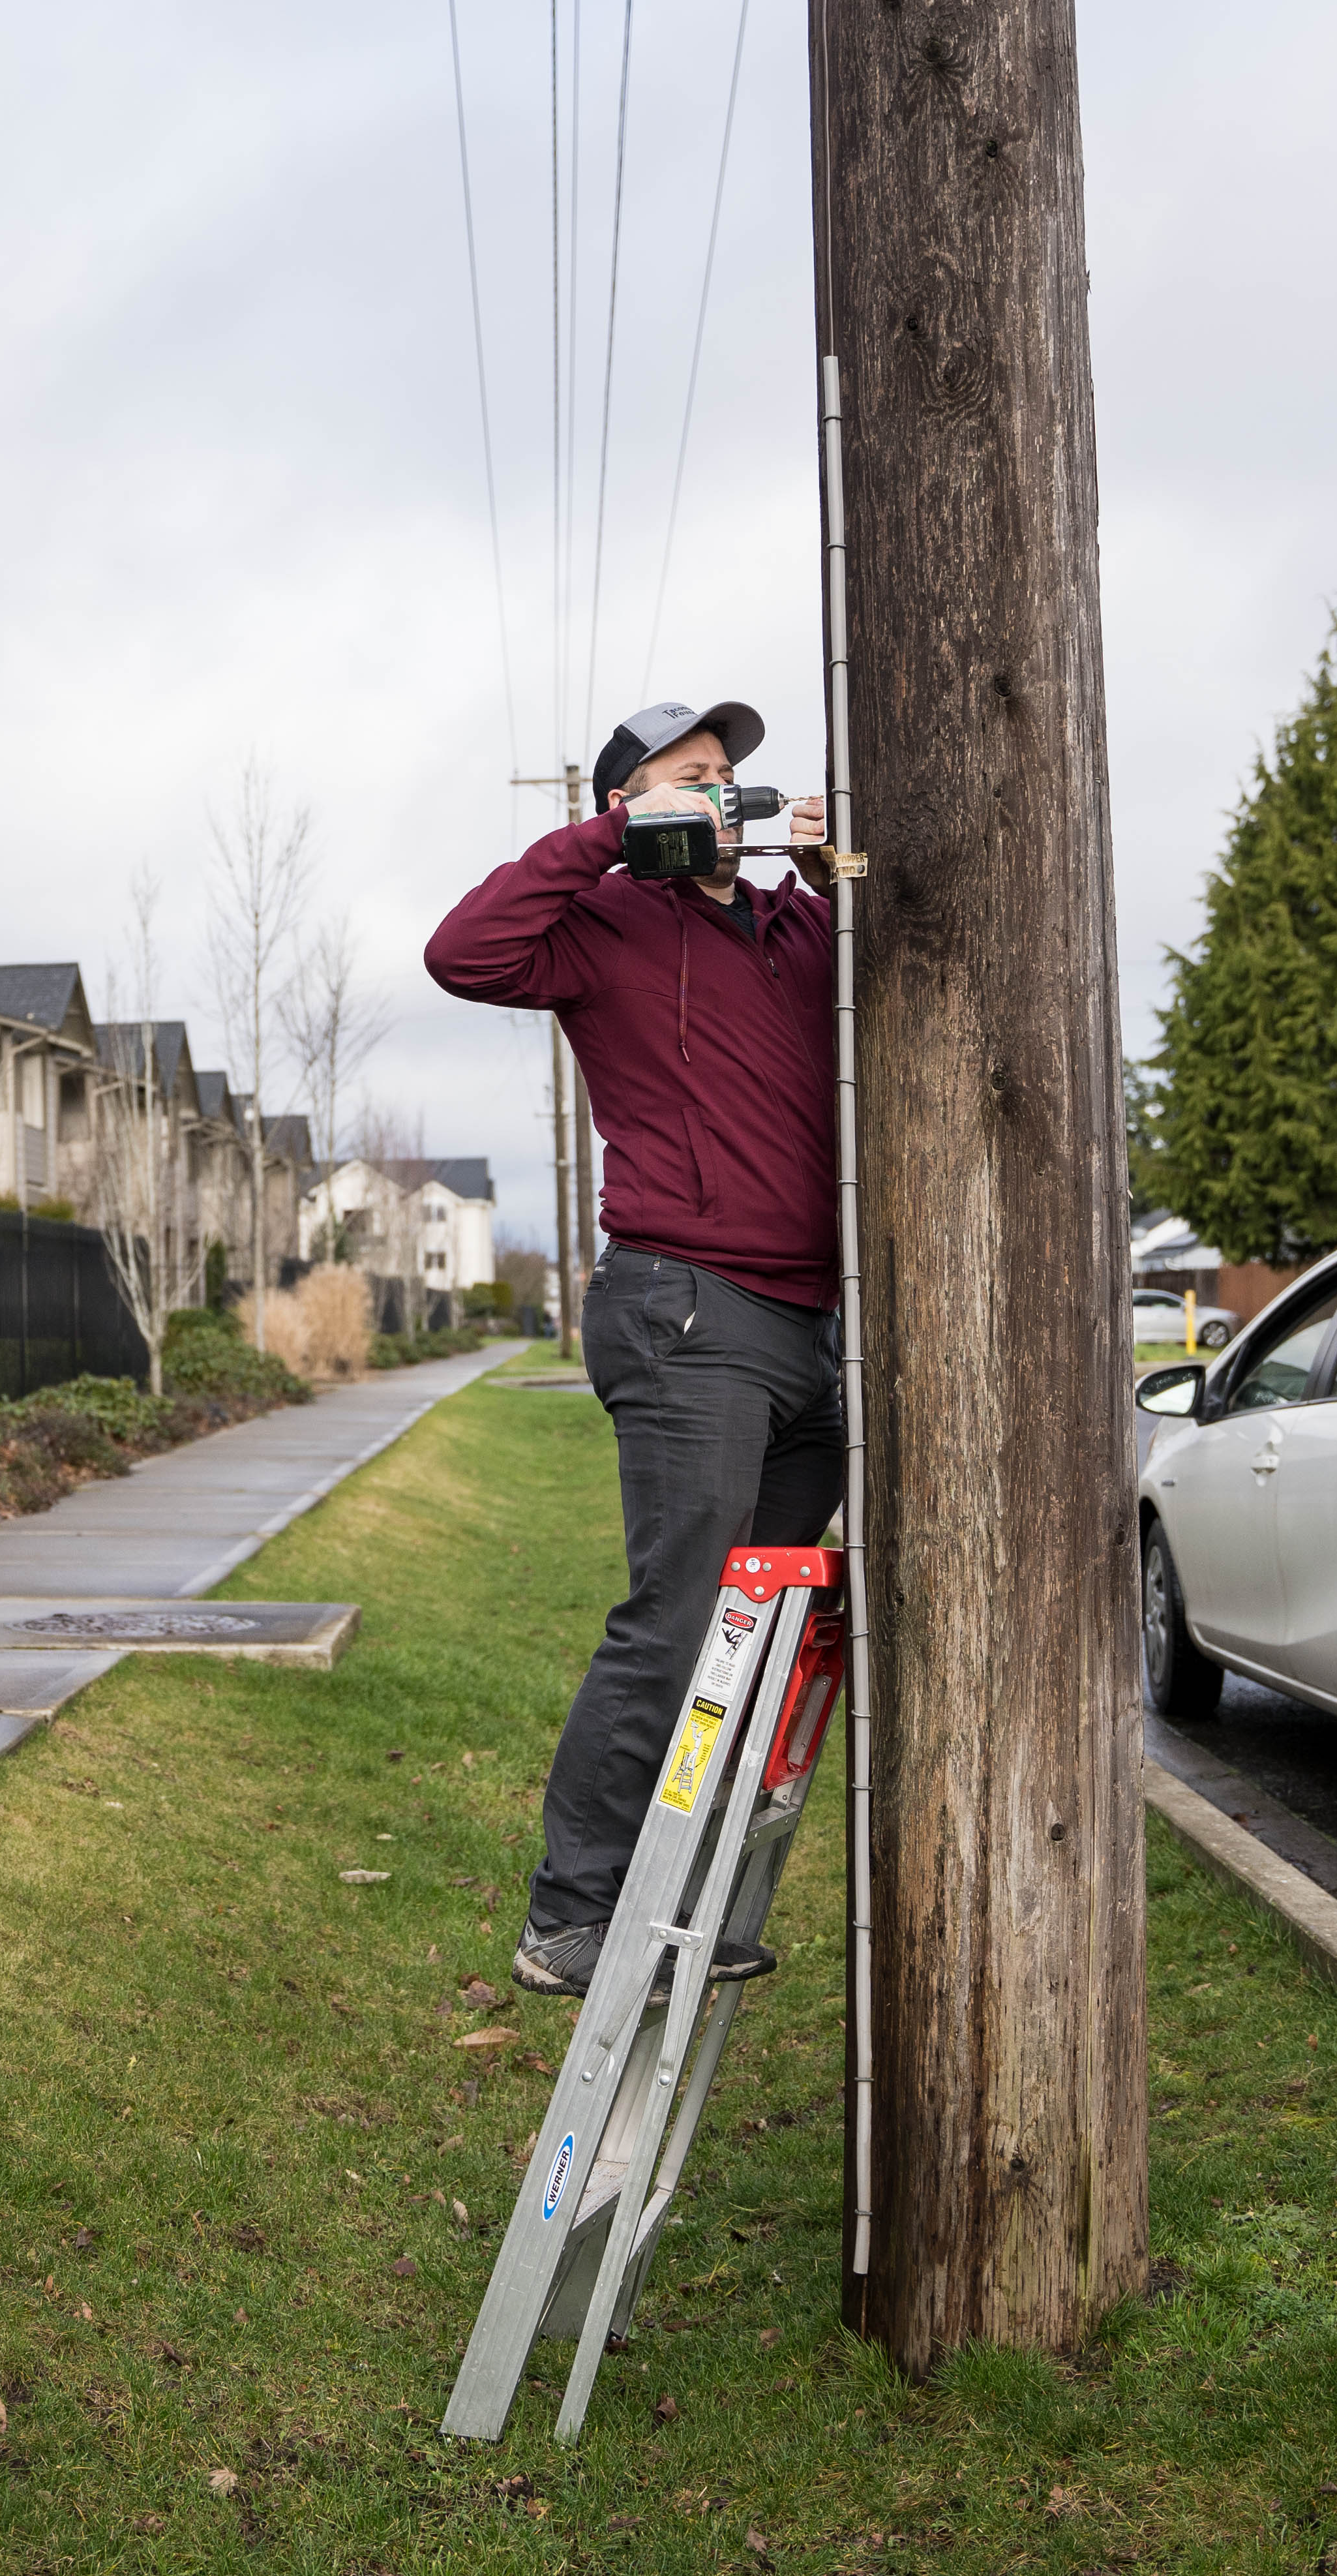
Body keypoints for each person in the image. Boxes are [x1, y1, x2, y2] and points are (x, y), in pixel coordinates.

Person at [425, 697, 840, 1998]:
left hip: (813, 1334)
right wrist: (606, 837)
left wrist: (833, 876)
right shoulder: (600, 928)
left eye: (729, 775)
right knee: (675, 1615)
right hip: (688, 1314)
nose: (722, 792)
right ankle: (571, 1914)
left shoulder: (796, 926)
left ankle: (681, 1899)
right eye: (688, 777)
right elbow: (459, 952)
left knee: (754, 1628)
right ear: (638, 802)